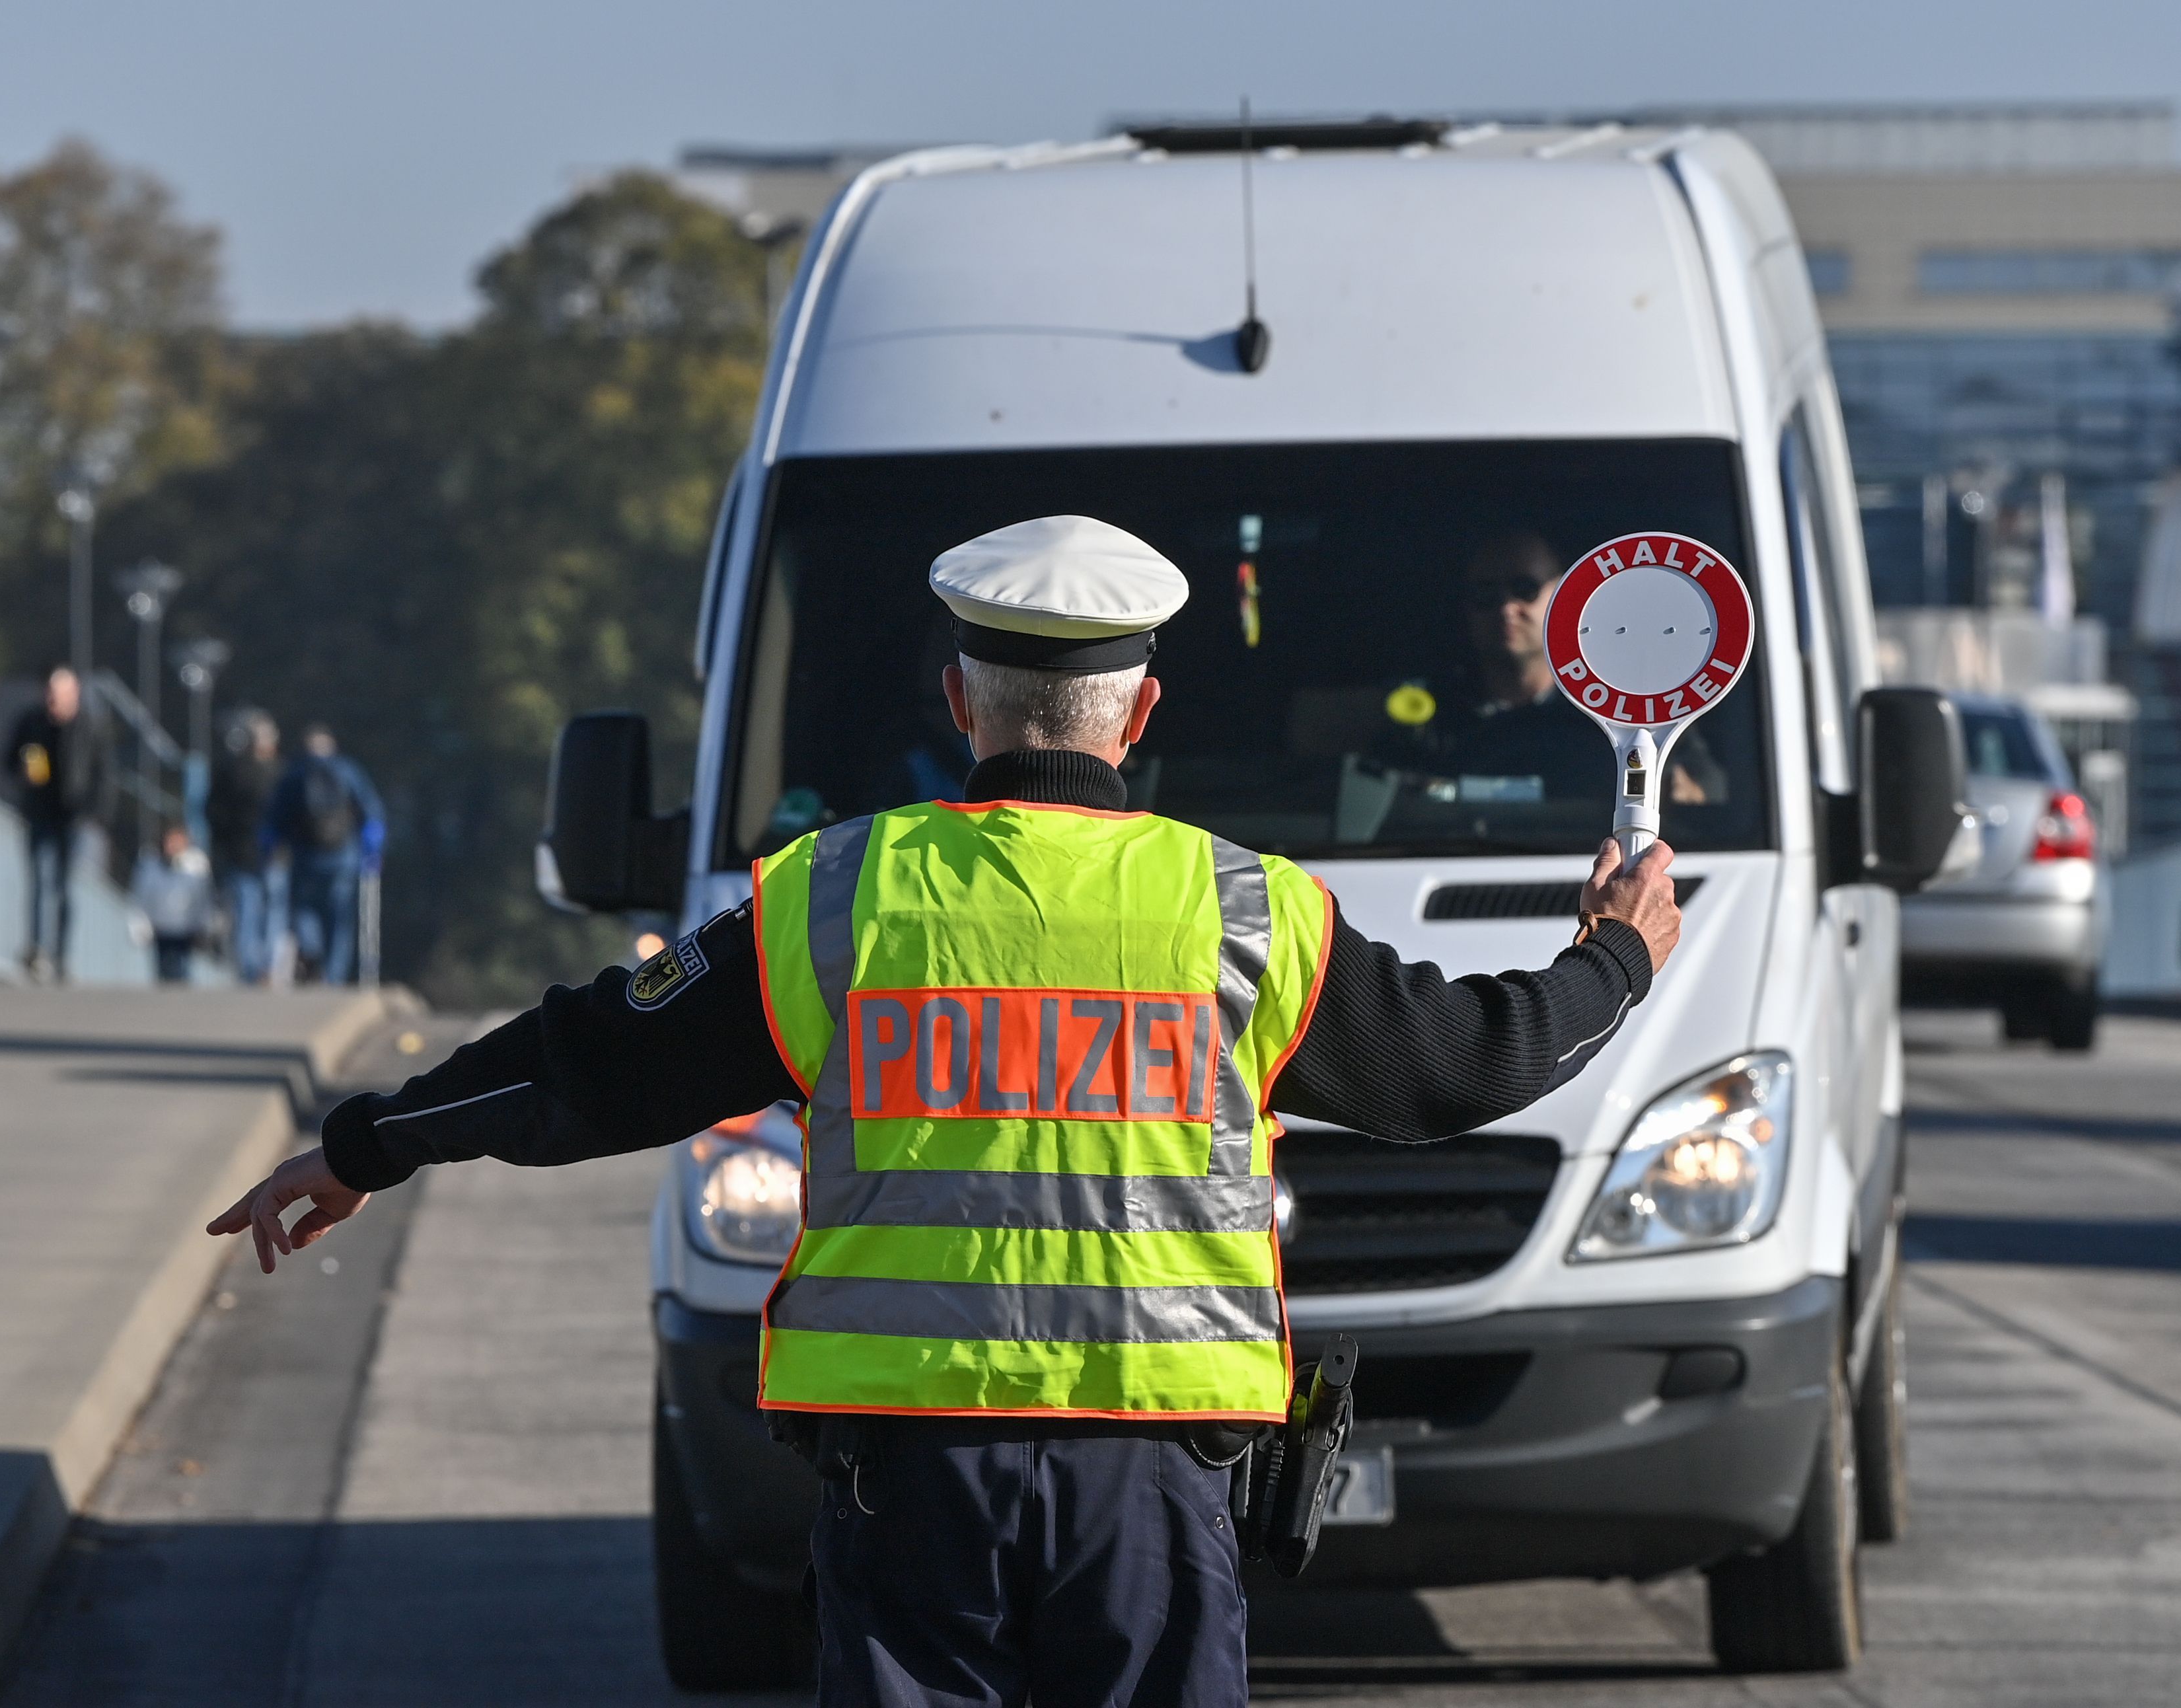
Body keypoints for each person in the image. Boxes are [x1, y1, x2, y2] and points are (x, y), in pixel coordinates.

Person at [208, 515, 1682, 1708]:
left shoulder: (831, 897)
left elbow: (585, 1061)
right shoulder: (1244, 909)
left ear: (959, 700)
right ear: (1142, 710)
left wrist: (364, 1144)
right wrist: (1613, 952)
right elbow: (1462, 1068)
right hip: (1150, 1479)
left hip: (910, 1477)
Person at [1448, 531, 1719, 803]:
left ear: (1563, 594)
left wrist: (1686, 793)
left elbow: (1713, 792)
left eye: (1524, 589)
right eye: (1485, 594)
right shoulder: (1433, 717)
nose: (1506, 608)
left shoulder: (1623, 708)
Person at [3, 666, 108, 981]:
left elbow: (104, 773)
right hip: (38, 812)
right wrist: (21, 768)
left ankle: (61, 956)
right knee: (37, 881)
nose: (52, 700)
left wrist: (96, 813)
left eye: (59, 694)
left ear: (73, 695)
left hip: (72, 817)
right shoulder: (31, 722)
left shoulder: (90, 726)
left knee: (63, 887)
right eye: (49, 693)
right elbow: (8, 759)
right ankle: (36, 951)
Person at [262, 724, 384, 984]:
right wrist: (372, 847)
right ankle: (334, 975)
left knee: (304, 910)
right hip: (344, 857)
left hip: (305, 856)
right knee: (339, 917)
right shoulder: (348, 770)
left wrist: (271, 847)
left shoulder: (294, 775)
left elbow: (275, 818)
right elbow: (371, 811)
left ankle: (312, 954)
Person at [207, 710, 283, 983]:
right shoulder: (278, 774)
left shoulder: (229, 770)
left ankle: (250, 971)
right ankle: (267, 968)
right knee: (271, 914)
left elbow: (213, 813)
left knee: (245, 914)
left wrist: (222, 845)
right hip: (272, 856)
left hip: (238, 854)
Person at [132, 824, 215, 983]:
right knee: (162, 970)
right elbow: (143, 893)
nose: (174, 846)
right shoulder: (152, 865)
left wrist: (205, 925)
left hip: (186, 929)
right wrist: (141, 921)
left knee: (182, 970)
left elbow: (204, 898)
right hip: (161, 927)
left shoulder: (196, 867)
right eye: (171, 841)